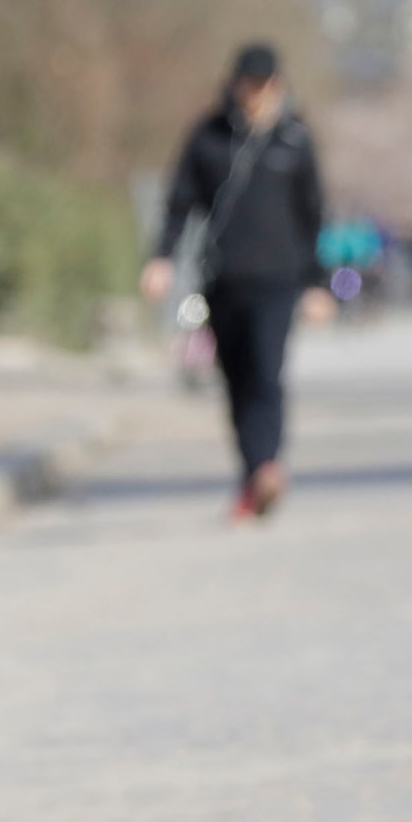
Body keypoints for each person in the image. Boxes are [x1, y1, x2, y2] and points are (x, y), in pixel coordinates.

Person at [141, 44, 334, 519]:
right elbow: (179, 202)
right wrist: (161, 258)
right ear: (233, 84)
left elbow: (312, 216)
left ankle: (267, 466)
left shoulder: (295, 140)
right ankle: (254, 474)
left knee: (266, 374)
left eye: (265, 84)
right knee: (236, 381)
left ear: (279, 86)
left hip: (279, 281)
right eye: (248, 84)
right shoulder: (207, 137)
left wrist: (316, 283)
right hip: (223, 279)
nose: (255, 94)